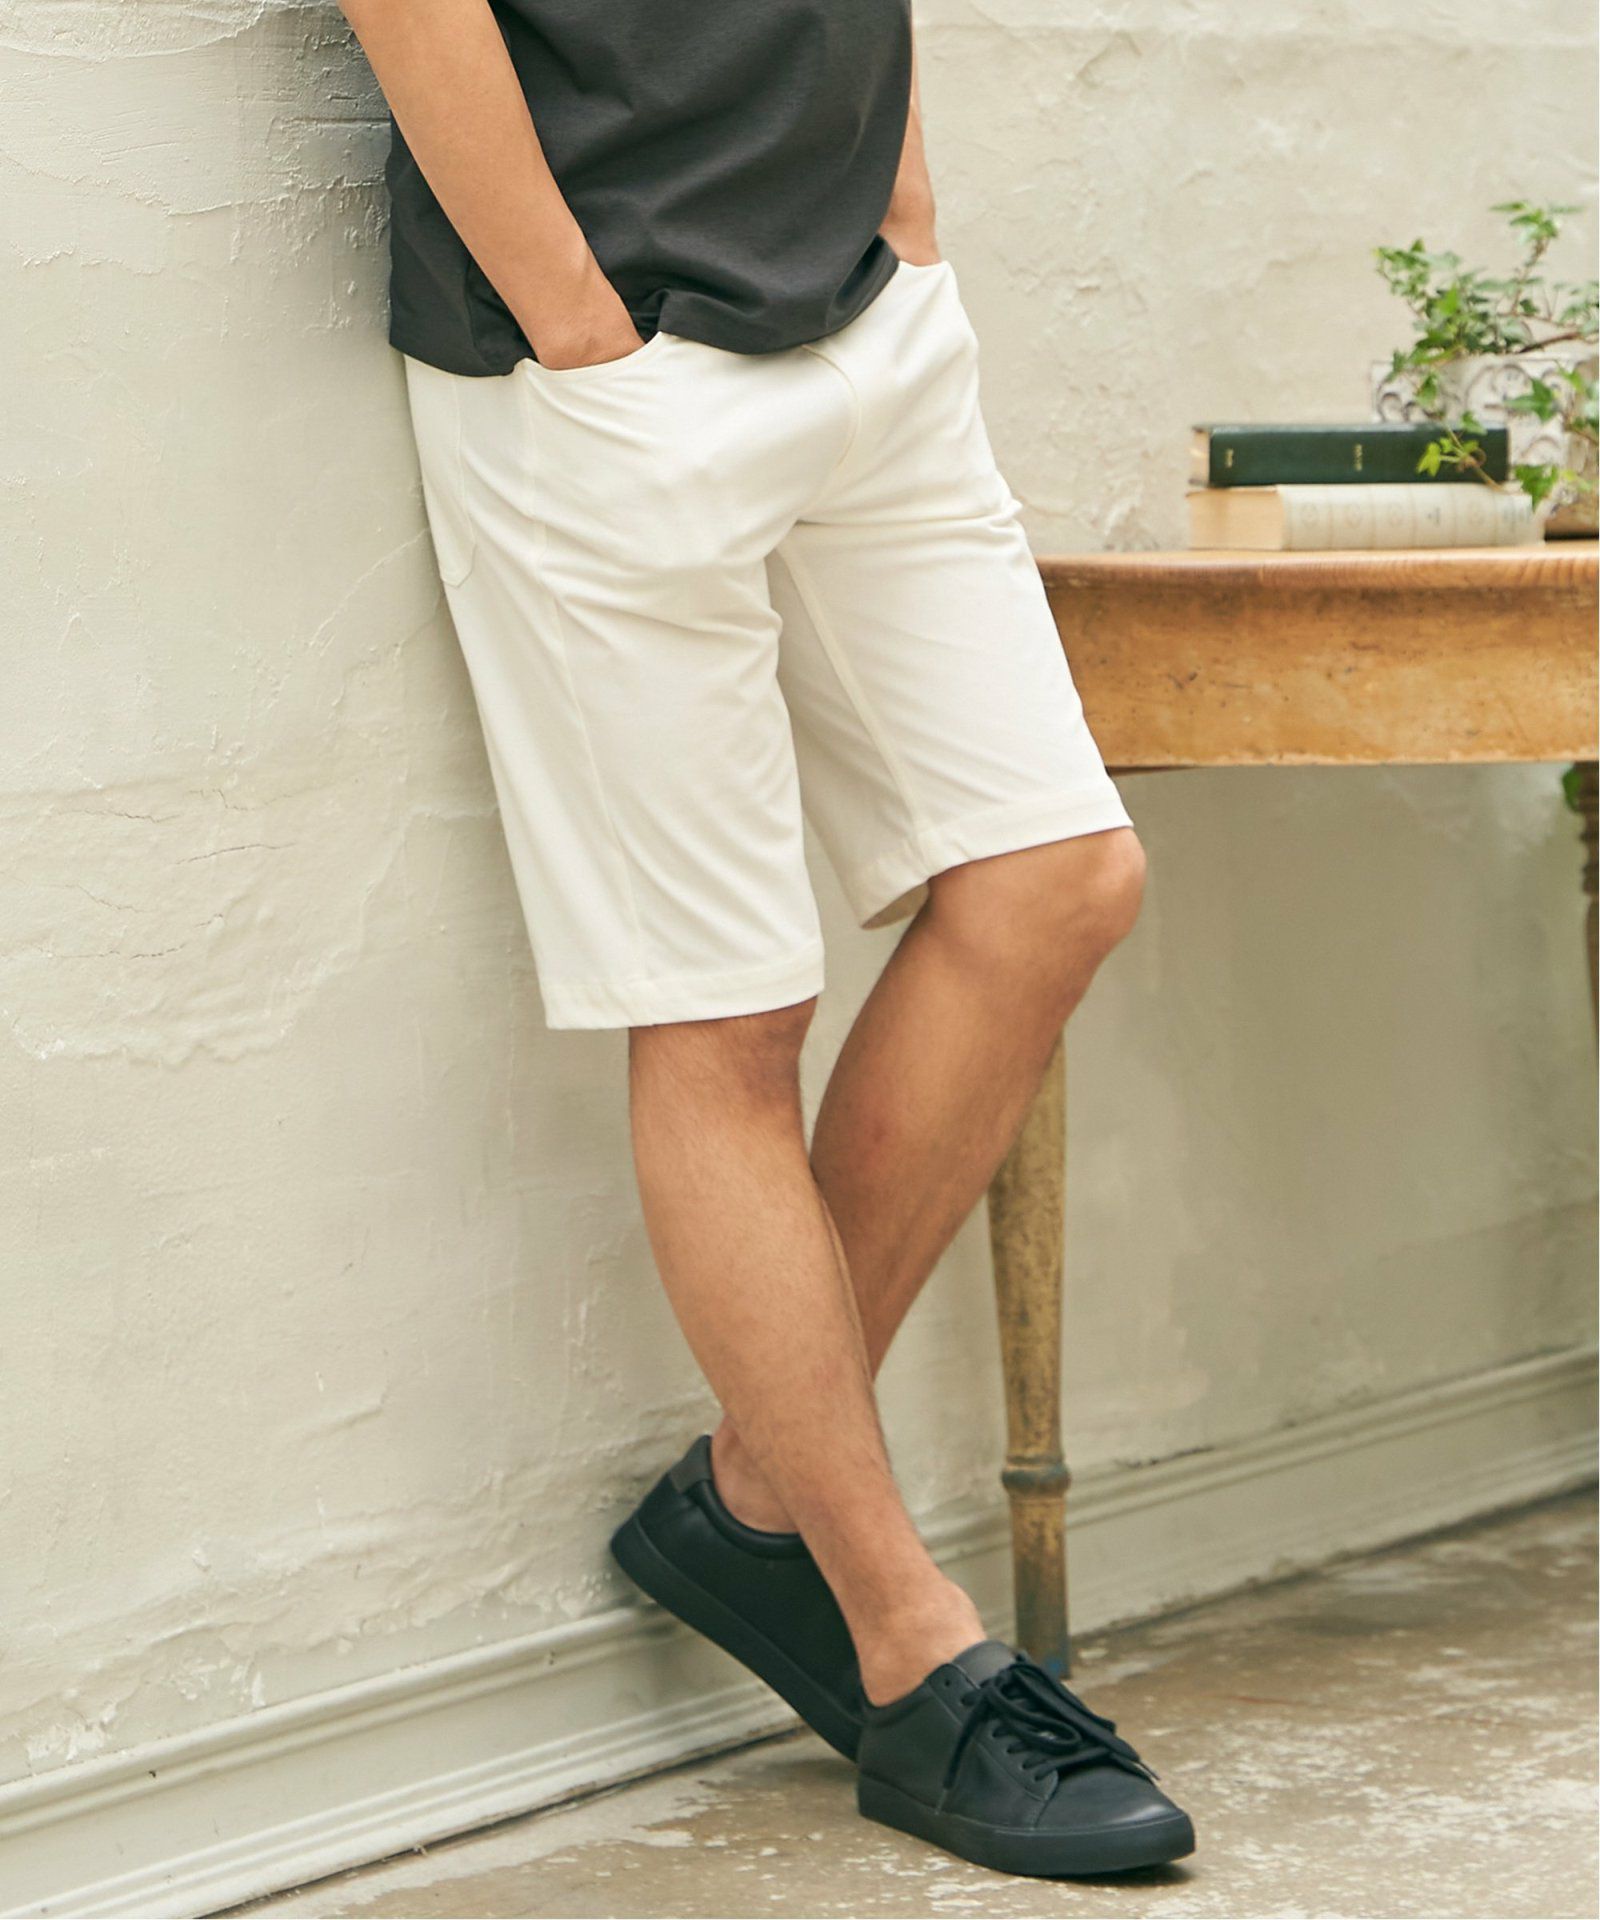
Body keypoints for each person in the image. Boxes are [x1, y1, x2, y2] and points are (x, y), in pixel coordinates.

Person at [338, 0, 1194, 1879]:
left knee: (1055, 876)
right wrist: (575, 322)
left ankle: (755, 1494)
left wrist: (905, 214)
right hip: (602, 360)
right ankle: (908, 1647)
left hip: (867, 312)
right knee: (725, 1009)